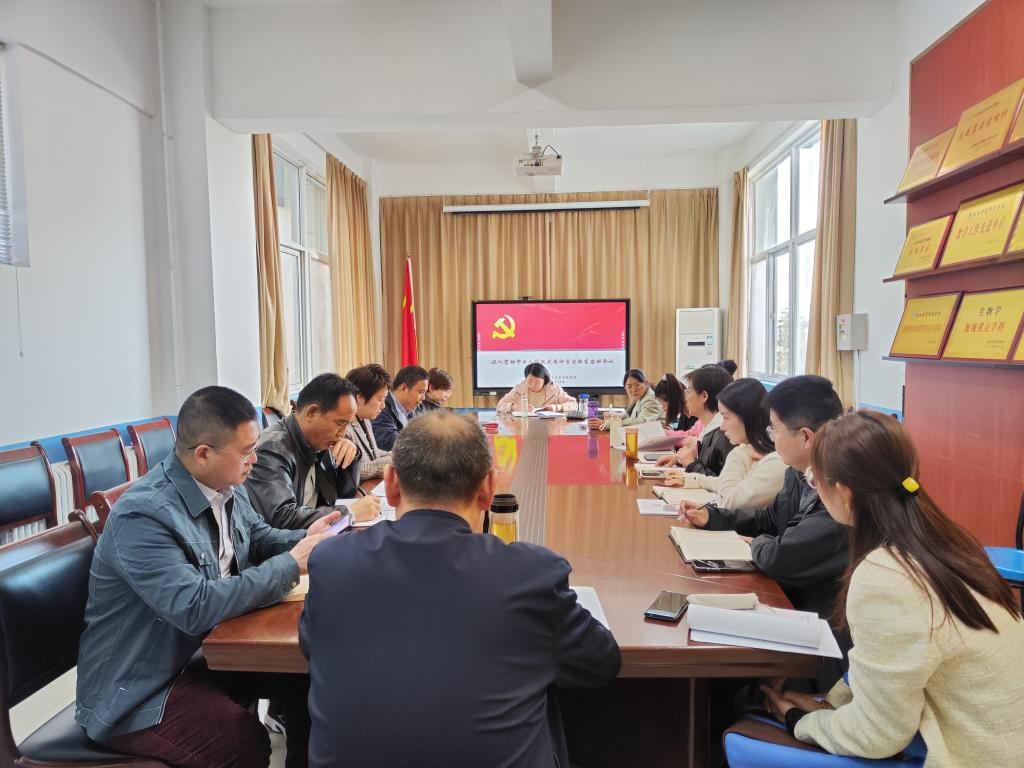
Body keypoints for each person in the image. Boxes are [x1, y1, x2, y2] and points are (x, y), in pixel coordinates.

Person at [300, 411, 621, 767]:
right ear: (488, 488)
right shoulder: (531, 573)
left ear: (391, 484)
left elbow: (311, 645)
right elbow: (600, 661)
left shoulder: (330, 563)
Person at [75, 386, 343, 768]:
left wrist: (307, 540)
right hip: (140, 688)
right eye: (246, 451)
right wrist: (290, 564)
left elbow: (258, 538)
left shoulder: (226, 486)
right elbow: (195, 607)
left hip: (202, 653)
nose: (254, 459)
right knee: (241, 742)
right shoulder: (143, 516)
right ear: (203, 454)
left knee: (312, 677)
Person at [758, 411, 1024, 766]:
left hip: (972, 755)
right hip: (1002, 740)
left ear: (844, 493)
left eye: (814, 481)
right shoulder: (950, 542)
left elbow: (878, 735)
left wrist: (799, 722)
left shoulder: (884, 575)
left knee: (743, 734)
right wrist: (831, 704)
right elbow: (891, 665)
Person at [677, 375, 849, 683]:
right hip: (794, 605)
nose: (771, 438)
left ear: (806, 437)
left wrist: (754, 543)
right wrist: (712, 518)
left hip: (823, 637)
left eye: (775, 430)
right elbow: (767, 519)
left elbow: (780, 556)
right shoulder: (799, 473)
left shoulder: (841, 493)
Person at [246, 373, 380, 529]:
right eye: (340, 423)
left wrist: (351, 457)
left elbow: (342, 495)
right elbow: (281, 517)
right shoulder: (274, 448)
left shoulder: (319, 441)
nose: (343, 433)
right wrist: (348, 513)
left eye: (347, 425)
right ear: (312, 412)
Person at [665, 378, 785, 510]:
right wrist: (688, 480)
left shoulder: (774, 462)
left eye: (726, 417)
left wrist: (739, 453)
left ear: (747, 417)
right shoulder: (752, 451)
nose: (722, 427)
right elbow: (725, 482)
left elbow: (728, 502)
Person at [656, 364, 734, 476]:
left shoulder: (725, 435)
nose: (686, 398)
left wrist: (691, 464)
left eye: (688, 391)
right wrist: (679, 459)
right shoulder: (708, 428)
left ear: (704, 396)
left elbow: (723, 482)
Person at [343, 363, 394, 481]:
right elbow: (352, 471)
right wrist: (388, 463)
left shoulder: (365, 419)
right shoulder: (344, 427)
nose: (383, 406)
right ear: (360, 398)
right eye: (380, 399)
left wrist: (397, 456)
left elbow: (373, 452)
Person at [372, 364, 429, 450]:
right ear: (404, 388)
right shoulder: (382, 407)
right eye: (421, 392)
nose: (423, 398)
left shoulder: (413, 408)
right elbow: (390, 443)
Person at [588, 368, 663, 430]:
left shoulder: (650, 400)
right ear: (625, 388)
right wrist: (614, 417)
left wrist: (606, 424)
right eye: (629, 387)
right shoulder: (640, 397)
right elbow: (628, 414)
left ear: (645, 384)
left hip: (658, 439)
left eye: (637, 385)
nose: (633, 390)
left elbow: (641, 422)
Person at [495, 361, 577, 414]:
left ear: (544, 380)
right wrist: (517, 407)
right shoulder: (519, 389)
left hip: (549, 427)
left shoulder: (554, 390)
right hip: (524, 427)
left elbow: (574, 404)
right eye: (529, 381)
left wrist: (556, 407)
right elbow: (500, 406)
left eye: (537, 382)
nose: (533, 385)